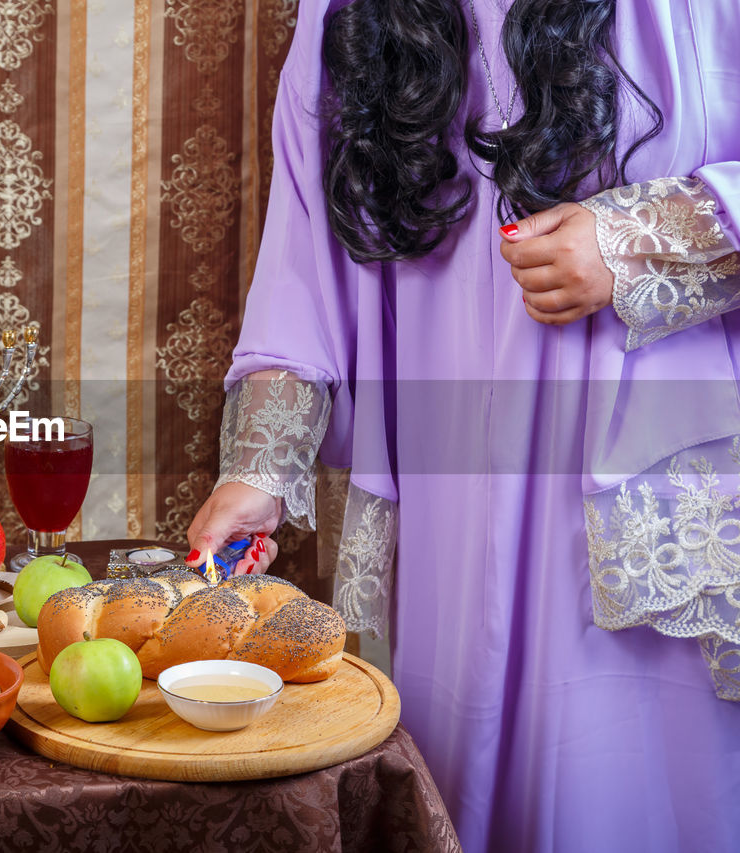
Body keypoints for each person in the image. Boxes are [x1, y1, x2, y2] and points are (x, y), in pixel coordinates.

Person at [186, 1, 740, 851]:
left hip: (642, 500)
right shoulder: (345, 10)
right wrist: (258, 470)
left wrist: (637, 240)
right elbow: (305, 252)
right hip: (451, 523)